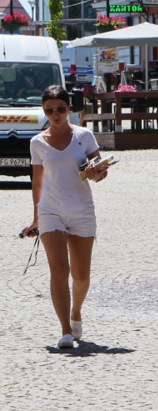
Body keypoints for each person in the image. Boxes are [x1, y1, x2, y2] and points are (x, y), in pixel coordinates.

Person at [21, 85, 109, 349]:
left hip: (81, 209)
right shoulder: (37, 142)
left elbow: (101, 170)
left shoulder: (84, 136)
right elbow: (37, 182)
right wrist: (36, 218)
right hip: (51, 210)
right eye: (49, 111)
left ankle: (76, 312)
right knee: (59, 269)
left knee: (81, 277)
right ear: (44, 111)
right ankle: (65, 331)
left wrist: (96, 171)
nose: (55, 115)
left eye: (60, 109)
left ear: (70, 108)